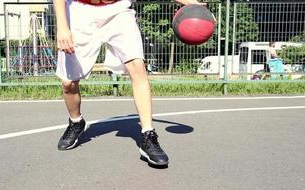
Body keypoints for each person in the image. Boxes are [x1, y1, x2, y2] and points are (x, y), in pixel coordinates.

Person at [53, 0, 204, 166]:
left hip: (119, 11)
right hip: (79, 12)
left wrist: (193, 4)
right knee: (68, 84)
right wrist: (62, 26)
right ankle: (76, 122)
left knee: (137, 66)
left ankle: (148, 135)